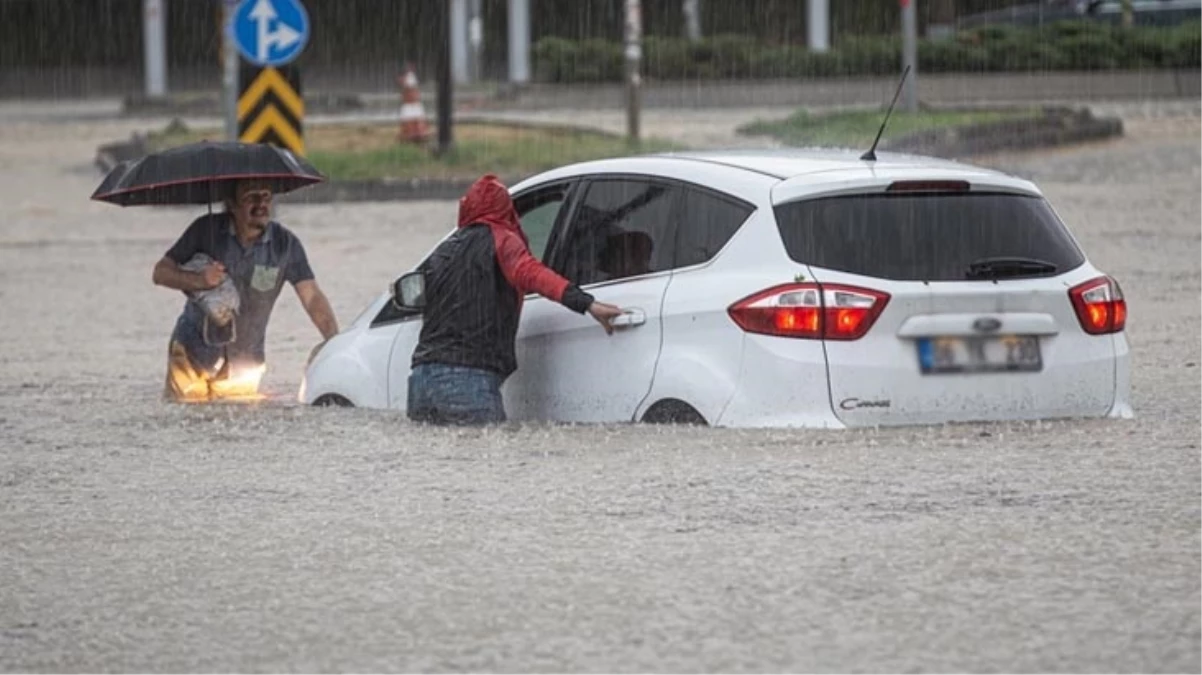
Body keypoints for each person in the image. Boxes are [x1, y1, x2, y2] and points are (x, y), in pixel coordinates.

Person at [407, 174, 624, 426]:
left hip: (420, 380)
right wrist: (587, 303)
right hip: (465, 378)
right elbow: (533, 274)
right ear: (506, 210)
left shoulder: (443, 250)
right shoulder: (502, 239)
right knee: (486, 460)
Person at [152, 179, 339, 402]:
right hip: (192, 355)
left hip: (245, 362)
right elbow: (161, 273)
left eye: (266, 197)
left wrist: (335, 341)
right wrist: (199, 279)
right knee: (186, 425)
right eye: (251, 197)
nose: (261, 204)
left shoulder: (285, 245)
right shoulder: (205, 231)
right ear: (231, 204)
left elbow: (312, 297)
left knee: (237, 431)